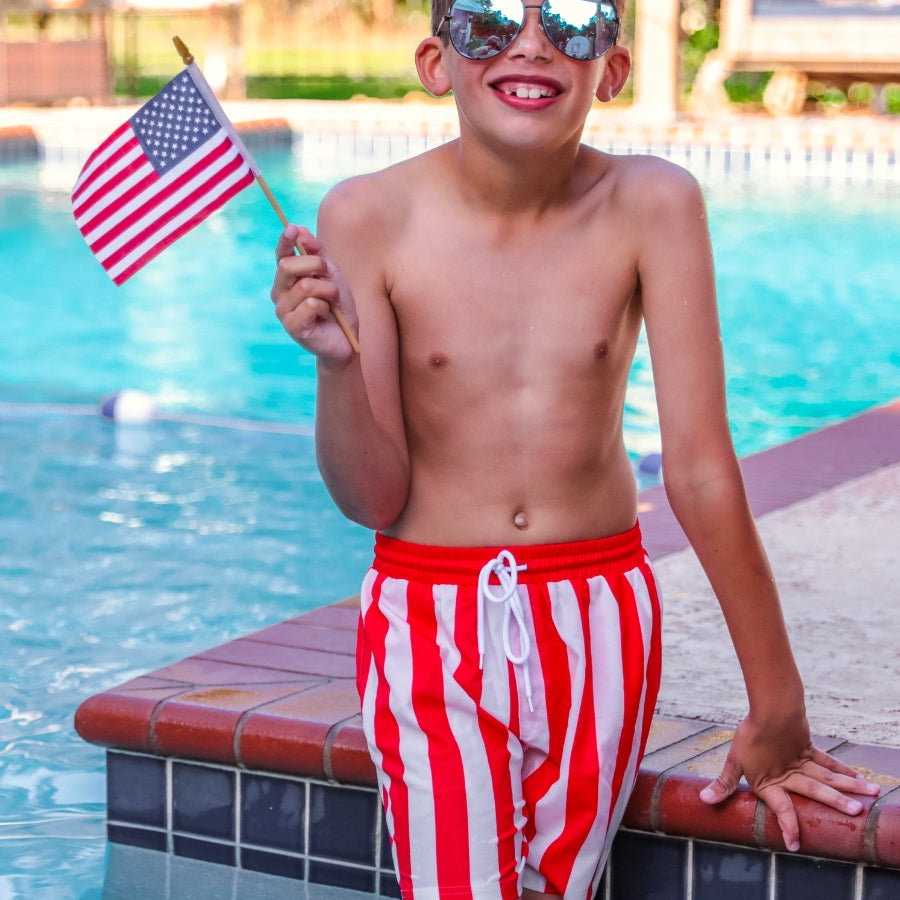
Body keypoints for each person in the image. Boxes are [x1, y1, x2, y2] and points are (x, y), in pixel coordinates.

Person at [270, 1, 881, 897]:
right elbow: (372, 498)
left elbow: (701, 467)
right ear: (438, 62)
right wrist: (334, 368)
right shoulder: (370, 216)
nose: (529, 43)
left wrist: (776, 696)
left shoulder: (653, 204)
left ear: (614, 69)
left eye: (570, 19)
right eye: (488, 20)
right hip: (432, 616)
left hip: (600, 614)